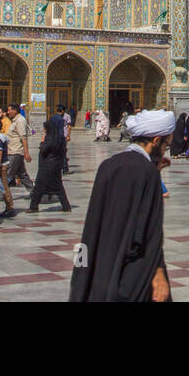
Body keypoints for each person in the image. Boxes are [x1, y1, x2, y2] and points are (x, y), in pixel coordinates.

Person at [68, 109, 174, 302]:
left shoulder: (109, 165)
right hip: (133, 274)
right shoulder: (146, 173)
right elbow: (148, 230)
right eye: (166, 145)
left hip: (101, 264)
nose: (165, 150)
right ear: (156, 141)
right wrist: (159, 270)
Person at [28, 111, 72, 213]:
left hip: (48, 166)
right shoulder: (60, 138)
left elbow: (44, 149)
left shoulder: (51, 138)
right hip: (56, 165)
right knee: (58, 186)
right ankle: (66, 206)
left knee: (39, 185)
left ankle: (33, 207)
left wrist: (42, 141)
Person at [5, 103, 33, 191]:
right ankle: (33, 191)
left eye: (10, 110)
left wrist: (26, 153)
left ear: (15, 111)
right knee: (22, 174)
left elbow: (23, 138)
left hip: (16, 151)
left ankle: (1, 192)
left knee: (8, 173)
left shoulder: (20, 121)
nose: (8, 112)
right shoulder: (15, 121)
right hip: (12, 150)